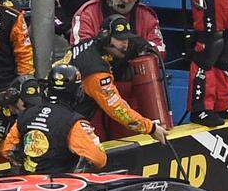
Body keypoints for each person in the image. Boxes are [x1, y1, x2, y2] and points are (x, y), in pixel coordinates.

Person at [57, 15, 169, 144]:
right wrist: (151, 128)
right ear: (105, 37)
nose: (125, 44)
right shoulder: (95, 70)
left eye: (127, 39)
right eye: (120, 39)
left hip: (56, 111)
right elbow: (117, 109)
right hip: (62, 125)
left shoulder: (89, 44)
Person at [0, 65, 107, 175]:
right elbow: (99, 159)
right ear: (78, 92)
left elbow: (7, 150)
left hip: (26, 184)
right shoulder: (74, 122)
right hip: (58, 187)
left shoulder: (26, 114)